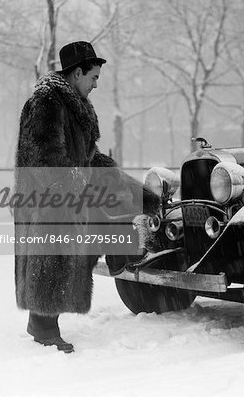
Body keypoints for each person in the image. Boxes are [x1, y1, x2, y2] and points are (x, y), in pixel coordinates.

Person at [14, 41, 159, 353]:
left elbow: (90, 159)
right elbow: (44, 160)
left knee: (85, 244)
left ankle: (126, 253)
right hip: (47, 199)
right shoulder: (46, 103)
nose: (96, 84)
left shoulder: (75, 108)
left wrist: (139, 194)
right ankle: (42, 326)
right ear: (77, 73)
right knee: (53, 258)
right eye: (93, 77)